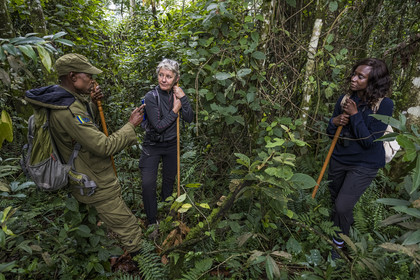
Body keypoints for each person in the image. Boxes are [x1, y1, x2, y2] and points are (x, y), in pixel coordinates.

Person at [25, 53, 145, 256]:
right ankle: (145, 263)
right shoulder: (69, 110)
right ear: (73, 77)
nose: (92, 80)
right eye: (88, 76)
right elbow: (103, 146)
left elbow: (80, 134)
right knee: (128, 227)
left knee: (91, 227)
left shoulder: (62, 100)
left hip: (81, 177)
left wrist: (91, 103)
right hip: (95, 180)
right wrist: (131, 125)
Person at [325, 58, 393, 258]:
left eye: (360, 77)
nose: (353, 79)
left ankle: (337, 248)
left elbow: (370, 142)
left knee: (342, 206)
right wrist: (334, 121)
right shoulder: (345, 99)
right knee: (337, 203)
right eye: (354, 74)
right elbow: (332, 133)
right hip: (340, 159)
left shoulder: (385, 105)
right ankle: (341, 234)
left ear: (373, 81)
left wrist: (354, 115)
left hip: (365, 163)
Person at [139, 58, 193, 230]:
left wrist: (183, 98)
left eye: (168, 76)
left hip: (172, 145)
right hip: (152, 145)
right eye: (161, 75)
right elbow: (159, 126)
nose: (163, 79)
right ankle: (152, 221)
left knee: (169, 181)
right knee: (148, 184)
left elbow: (190, 118)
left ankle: (167, 215)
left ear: (176, 79)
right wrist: (175, 110)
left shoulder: (177, 94)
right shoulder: (151, 96)